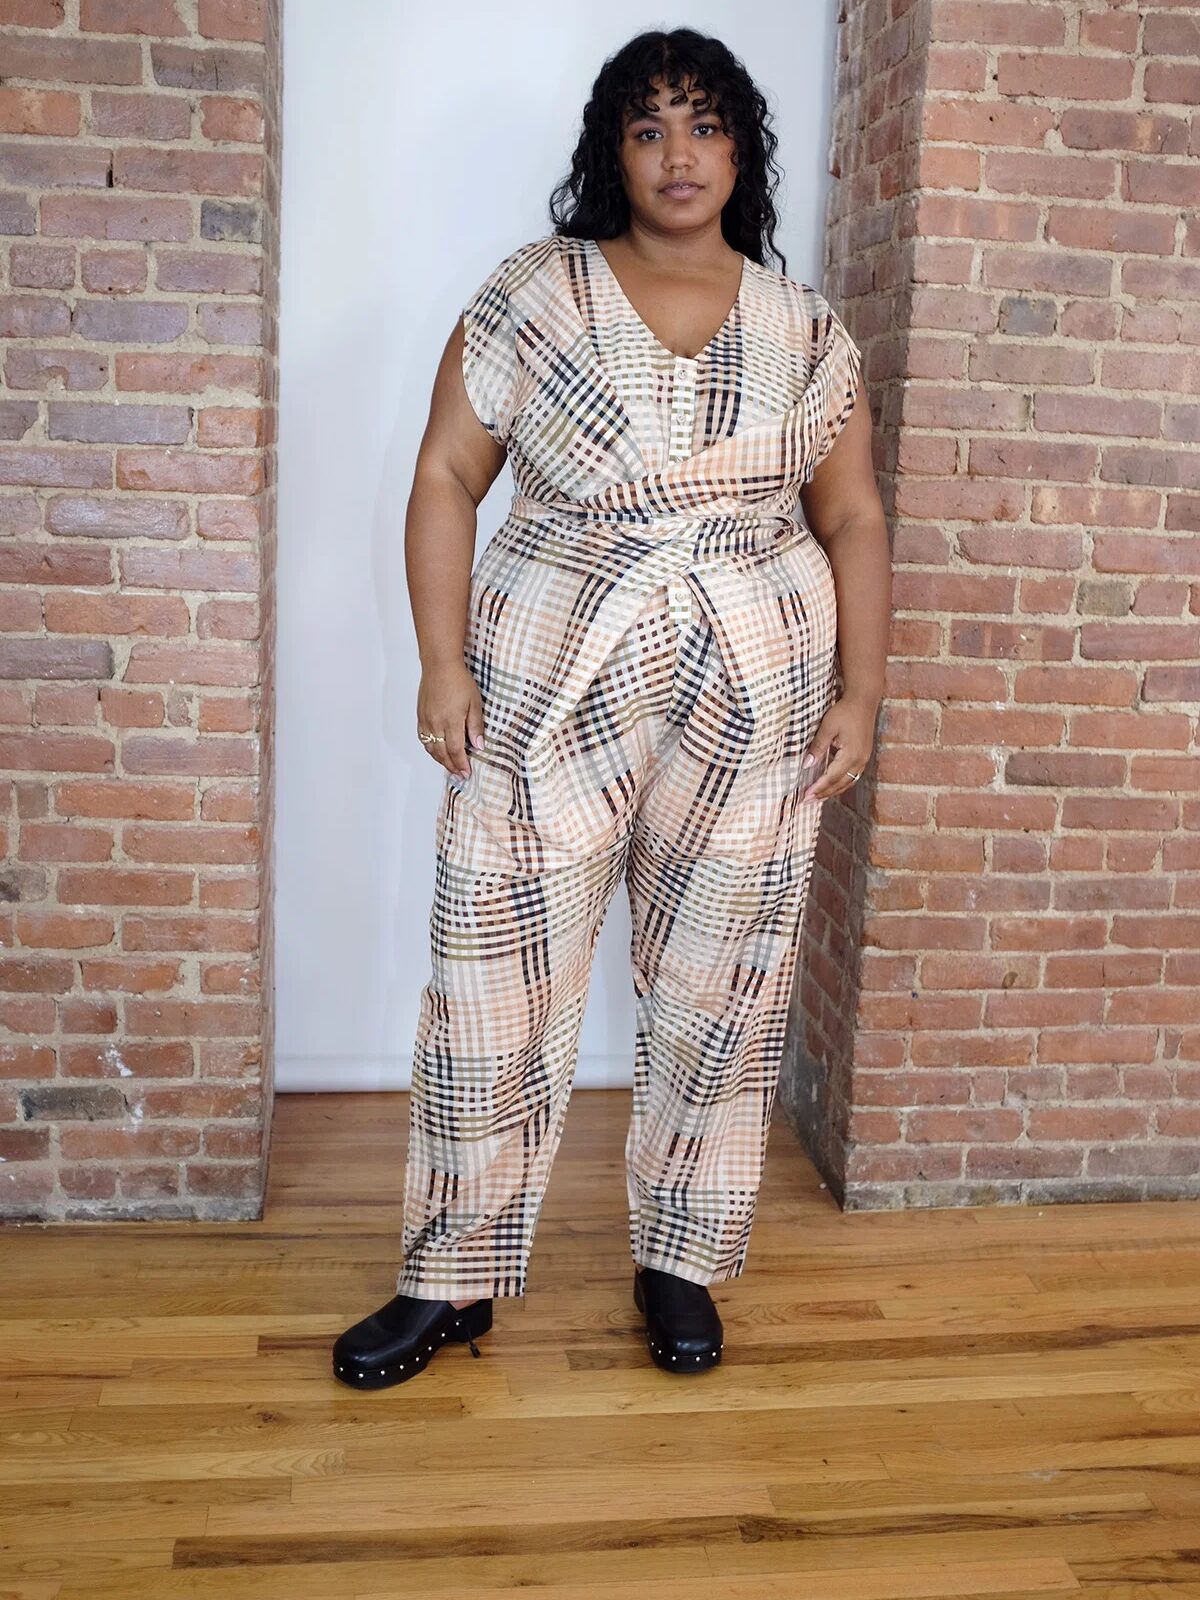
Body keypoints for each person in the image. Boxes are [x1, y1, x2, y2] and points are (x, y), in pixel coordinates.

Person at [333, 26, 890, 1390]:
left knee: (722, 973)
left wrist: (864, 691)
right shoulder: (534, 294)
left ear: (743, 149)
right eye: (648, 129)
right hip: (546, 673)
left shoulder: (806, 328)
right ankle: (450, 1274)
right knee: (493, 964)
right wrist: (442, 662)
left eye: (703, 125)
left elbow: (854, 515)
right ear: (612, 153)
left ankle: (680, 1258)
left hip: (755, 684)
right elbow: (445, 476)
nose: (678, 154)